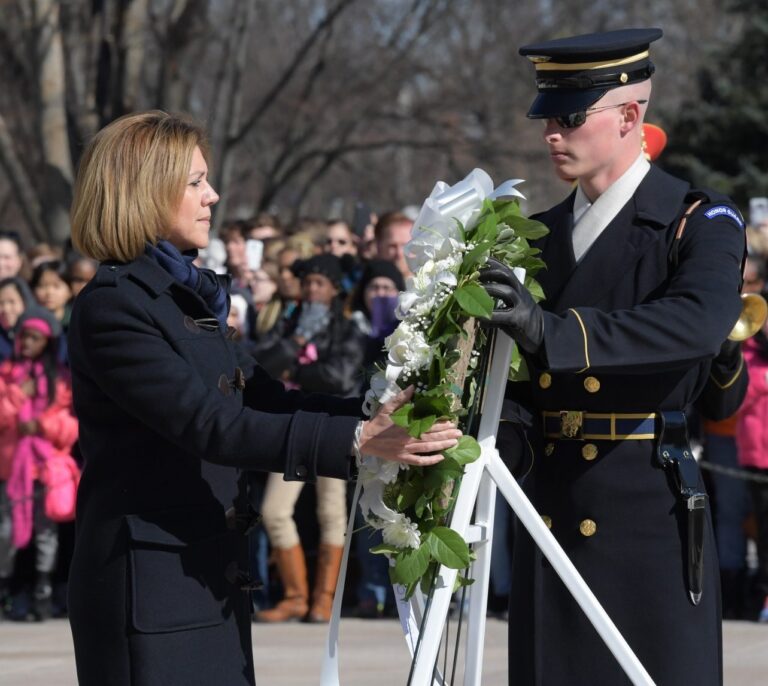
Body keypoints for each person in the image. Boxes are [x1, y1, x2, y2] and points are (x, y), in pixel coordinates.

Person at [65, 110, 460, 686]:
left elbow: (268, 399)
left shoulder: (181, 298)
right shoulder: (115, 305)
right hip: (148, 592)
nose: (213, 196)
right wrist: (358, 441)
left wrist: (379, 411)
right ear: (143, 190)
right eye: (195, 181)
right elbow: (211, 426)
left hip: (201, 576)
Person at [479, 29, 746, 685]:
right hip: (551, 507)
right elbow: (514, 387)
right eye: (547, 117)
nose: (552, 134)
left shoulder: (698, 223)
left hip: (644, 514)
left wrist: (553, 334)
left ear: (630, 116)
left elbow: (695, 326)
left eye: (571, 118)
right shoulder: (532, 238)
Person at [251, 254, 365, 623]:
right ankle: (296, 596)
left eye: (321, 283)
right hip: (292, 426)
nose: (313, 289)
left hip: (332, 427)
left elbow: (340, 376)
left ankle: (324, 600)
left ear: (335, 289)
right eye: (309, 282)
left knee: (332, 513)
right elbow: (261, 364)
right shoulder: (290, 324)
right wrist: (297, 340)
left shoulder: (348, 329)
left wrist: (296, 367)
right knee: (274, 511)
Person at [0, 306, 78, 621]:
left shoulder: (60, 380)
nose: (29, 342)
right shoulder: (6, 374)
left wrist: (43, 426)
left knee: (46, 534)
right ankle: (10, 591)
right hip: (12, 469)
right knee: (8, 532)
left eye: (36, 337)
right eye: (25, 336)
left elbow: (71, 427)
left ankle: (42, 593)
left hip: (47, 469)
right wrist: (19, 394)